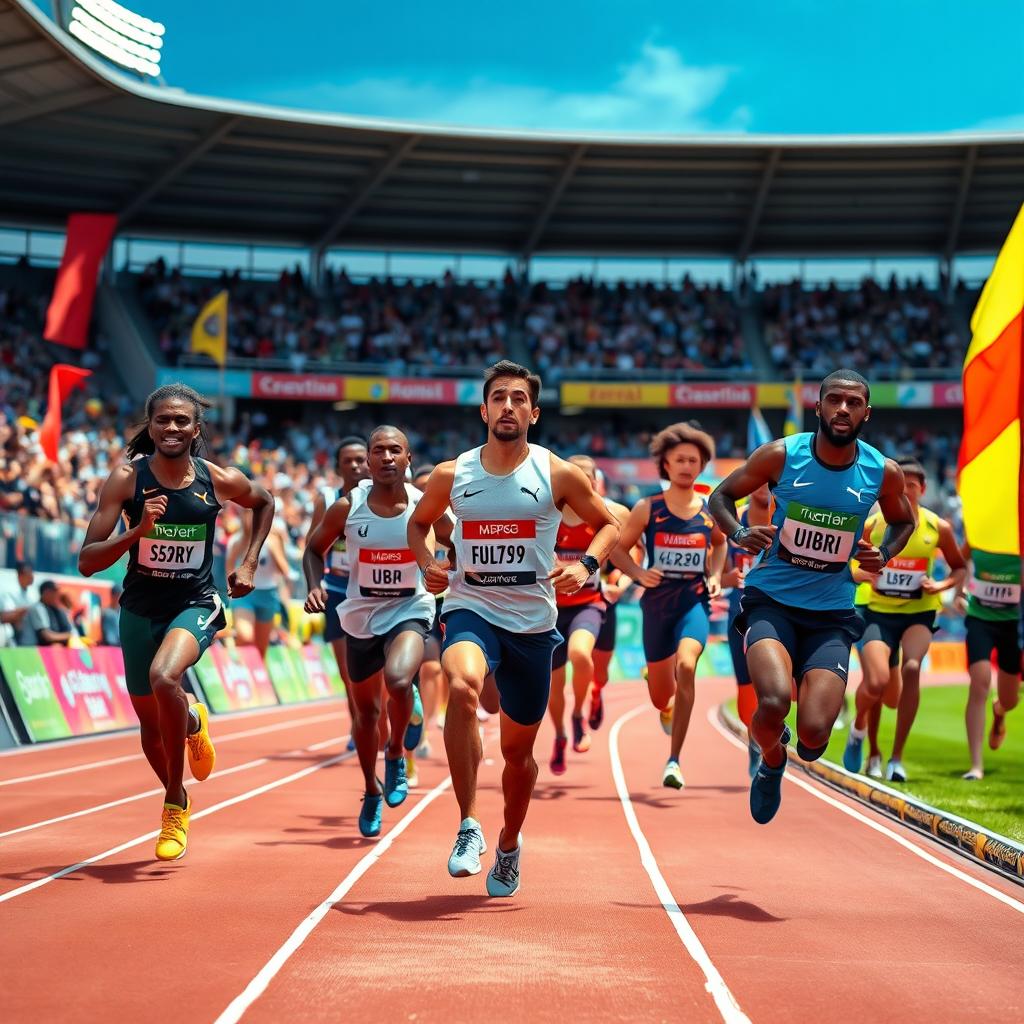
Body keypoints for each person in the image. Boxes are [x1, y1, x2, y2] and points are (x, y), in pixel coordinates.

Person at [408, 360, 619, 897]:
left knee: (519, 759)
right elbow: (418, 522)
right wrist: (428, 560)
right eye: (498, 397)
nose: (508, 405)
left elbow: (610, 525)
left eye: (518, 398)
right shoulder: (452, 475)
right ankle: (469, 826)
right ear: (483, 410)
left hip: (532, 625)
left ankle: (508, 843)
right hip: (470, 607)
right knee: (461, 682)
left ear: (534, 412)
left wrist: (586, 566)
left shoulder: (557, 474)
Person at [709, 369, 914, 825]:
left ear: (866, 413)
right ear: (818, 407)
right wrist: (740, 532)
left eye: (854, 402)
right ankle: (771, 759)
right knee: (774, 701)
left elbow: (904, 522)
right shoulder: (782, 456)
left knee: (815, 738)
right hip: (772, 602)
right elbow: (720, 497)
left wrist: (883, 552)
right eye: (834, 400)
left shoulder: (882, 471)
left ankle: (795, 751)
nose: (843, 409)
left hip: (831, 614)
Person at [79, 384, 274, 861]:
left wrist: (248, 564)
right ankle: (187, 736)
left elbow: (264, 502)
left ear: (196, 428)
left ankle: (171, 804)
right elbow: (87, 560)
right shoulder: (126, 480)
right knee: (151, 725)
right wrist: (138, 532)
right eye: (163, 420)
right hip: (139, 608)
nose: (172, 428)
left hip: (196, 602)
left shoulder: (215, 479)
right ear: (150, 426)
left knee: (165, 675)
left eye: (181, 421)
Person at [305, 427, 442, 837]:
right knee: (366, 714)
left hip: (409, 608)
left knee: (399, 680)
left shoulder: (425, 505)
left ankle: (396, 753)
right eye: (378, 450)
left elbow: (458, 541)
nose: (386, 457)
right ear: (368, 459)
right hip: (360, 615)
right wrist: (314, 584)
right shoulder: (349, 507)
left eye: (394, 450)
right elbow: (314, 549)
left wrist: (449, 573)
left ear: (407, 458)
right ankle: (370, 788)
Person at [611, 423, 726, 790]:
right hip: (657, 606)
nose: (687, 466)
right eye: (679, 460)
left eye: (694, 460)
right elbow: (615, 548)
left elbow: (720, 544)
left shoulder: (709, 511)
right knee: (662, 696)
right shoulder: (648, 508)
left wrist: (716, 575)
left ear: (702, 464)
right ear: (665, 464)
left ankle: (674, 760)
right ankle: (658, 686)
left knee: (688, 665)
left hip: (693, 599)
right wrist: (638, 573)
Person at [843, 457, 966, 781]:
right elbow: (845, 563)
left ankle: (896, 759)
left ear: (922, 490)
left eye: (912, 486)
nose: (907, 491)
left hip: (918, 613)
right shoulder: (874, 524)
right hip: (875, 613)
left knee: (912, 669)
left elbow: (959, 567)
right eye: (900, 486)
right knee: (877, 683)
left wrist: (940, 585)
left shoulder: (938, 527)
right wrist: (862, 575)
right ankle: (862, 738)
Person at [546, 454, 630, 774]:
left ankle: (579, 713)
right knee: (554, 687)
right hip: (550, 610)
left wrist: (621, 580)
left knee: (581, 655)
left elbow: (631, 551)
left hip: (588, 603)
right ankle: (559, 735)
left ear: (595, 483)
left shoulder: (608, 517)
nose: (582, 482)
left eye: (588, 477)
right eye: (575, 476)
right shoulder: (547, 517)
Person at [306, 437, 369, 752]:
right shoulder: (328, 499)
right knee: (349, 674)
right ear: (339, 466)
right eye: (349, 461)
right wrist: (314, 586)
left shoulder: (385, 496)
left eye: (361, 459)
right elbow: (312, 548)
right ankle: (359, 727)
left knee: (382, 671)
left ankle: (380, 724)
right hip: (338, 591)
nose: (356, 466)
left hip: (377, 592)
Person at [955, 542, 1021, 780]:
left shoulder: (1019, 539)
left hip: (1013, 623)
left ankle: (1000, 711)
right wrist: (959, 592)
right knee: (979, 683)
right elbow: (958, 561)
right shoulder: (978, 535)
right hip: (979, 619)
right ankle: (976, 766)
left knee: (1010, 700)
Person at [722, 483, 771, 777]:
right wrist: (726, 578)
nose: (765, 487)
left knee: (776, 687)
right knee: (746, 690)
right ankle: (755, 745)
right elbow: (715, 569)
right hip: (739, 613)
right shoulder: (733, 521)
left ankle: (770, 737)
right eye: (760, 480)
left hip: (777, 612)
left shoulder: (787, 519)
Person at [412, 464, 448, 759]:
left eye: (431, 488)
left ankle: (426, 728)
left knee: (434, 668)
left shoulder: (455, 521)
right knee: (415, 672)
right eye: (421, 488)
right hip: (411, 602)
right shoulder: (410, 521)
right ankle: (412, 736)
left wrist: (445, 569)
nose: (427, 493)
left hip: (446, 604)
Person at [228, 508, 291, 658]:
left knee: (261, 648)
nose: (250, 518)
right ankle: (236, 664)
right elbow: (229, 567)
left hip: (268, 594)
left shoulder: (272, 541)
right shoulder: (237, 540)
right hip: (244, 596)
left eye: (254, 513)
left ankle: (255, 674)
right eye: (246, 513)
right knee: (245, 636)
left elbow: (285, 571)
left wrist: (276, 547)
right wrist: (231, 588)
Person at [22, 580, 75, 646]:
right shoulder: (38, 608)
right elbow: (47, 636)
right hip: (31, 649)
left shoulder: (56, 609)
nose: (57, 594)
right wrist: (68, 636)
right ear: (46, 593)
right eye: (54, 592)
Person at [0, 561, 35, 646]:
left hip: (30, 635)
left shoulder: (32, 592)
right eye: (28, 573)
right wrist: (26, 610)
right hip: (12, 636)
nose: (32, 576)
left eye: (32, 573)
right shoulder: (9, 591)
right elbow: (6, 615)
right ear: (20, 575)